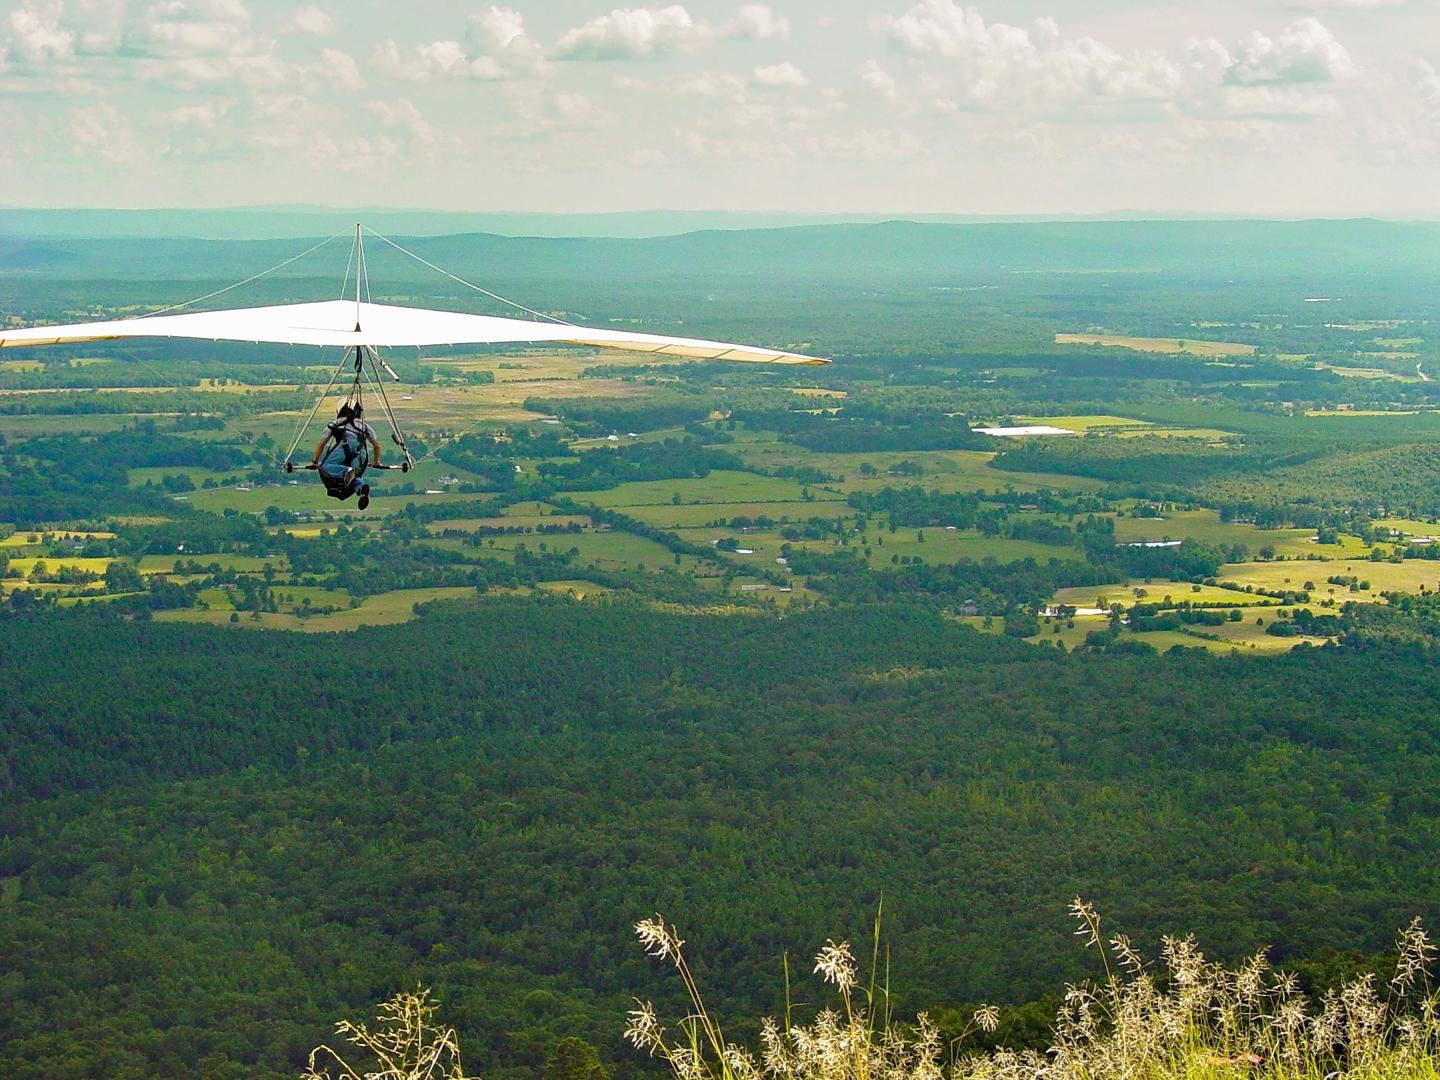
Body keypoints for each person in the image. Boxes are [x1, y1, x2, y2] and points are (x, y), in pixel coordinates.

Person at [311, 402, 382, 509]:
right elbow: (376, 445)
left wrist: (315, 462)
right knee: (354, 477)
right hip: (361, 450)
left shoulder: (336, 423)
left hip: (345, 445)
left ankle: (346, 471)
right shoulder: (364, 425)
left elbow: (322, 444)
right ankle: (361, 489)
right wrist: (376, 461)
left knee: (325, 468)